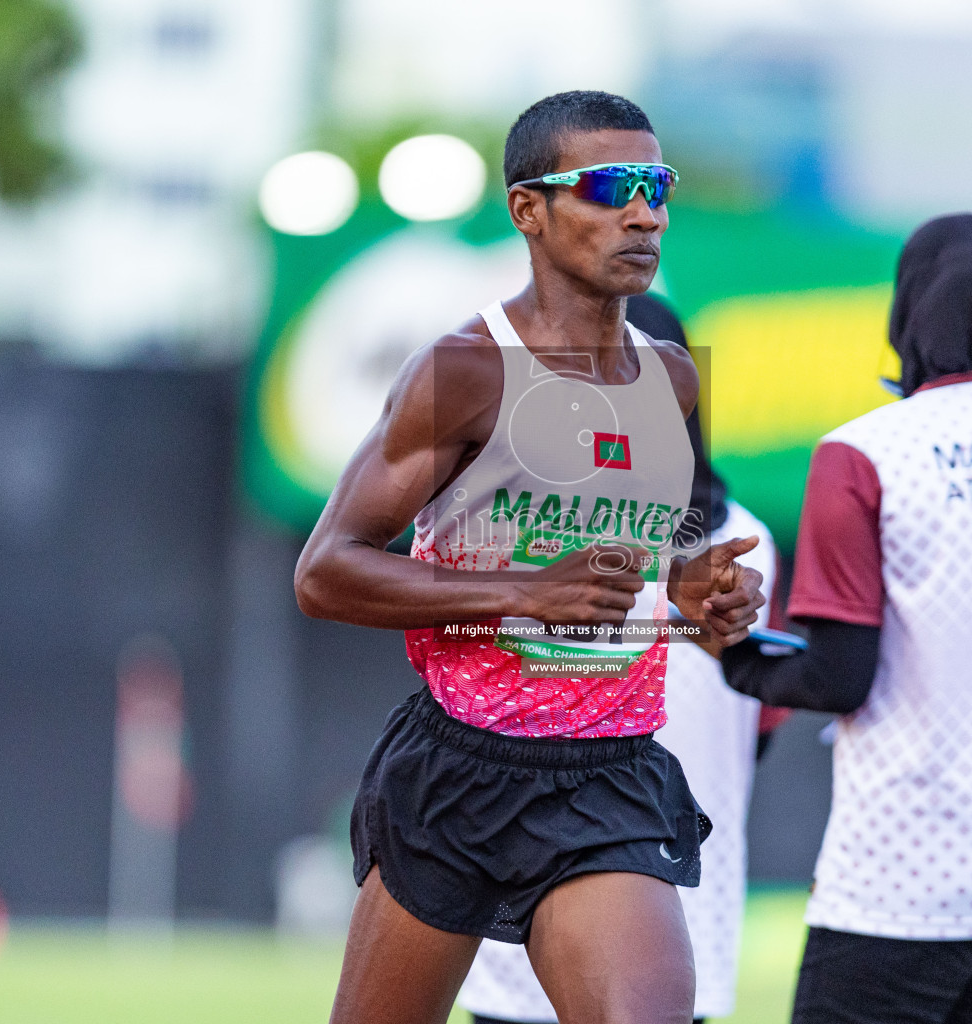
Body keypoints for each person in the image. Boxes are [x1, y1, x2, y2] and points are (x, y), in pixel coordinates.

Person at [293, 91, 766, 1024]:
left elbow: (601, 584)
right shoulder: (461, 370)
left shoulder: (670, 377)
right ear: (529, 211)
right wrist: (524, 593)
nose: (645, 212)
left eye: (656, 185)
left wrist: (685, 600)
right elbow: (325, 572)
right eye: (608, 187)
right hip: (461, 770)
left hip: (606, 775)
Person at [722, 214, 972, 1024]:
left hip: (906, 869)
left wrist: (732, 655)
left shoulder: (864, 453)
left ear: (904, 313)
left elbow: (838, 677)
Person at [458, 294, 782, 1024]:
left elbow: (756, 709)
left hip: (674, 882)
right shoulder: (523, 518)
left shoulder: (740, 541)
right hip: (531, 871)